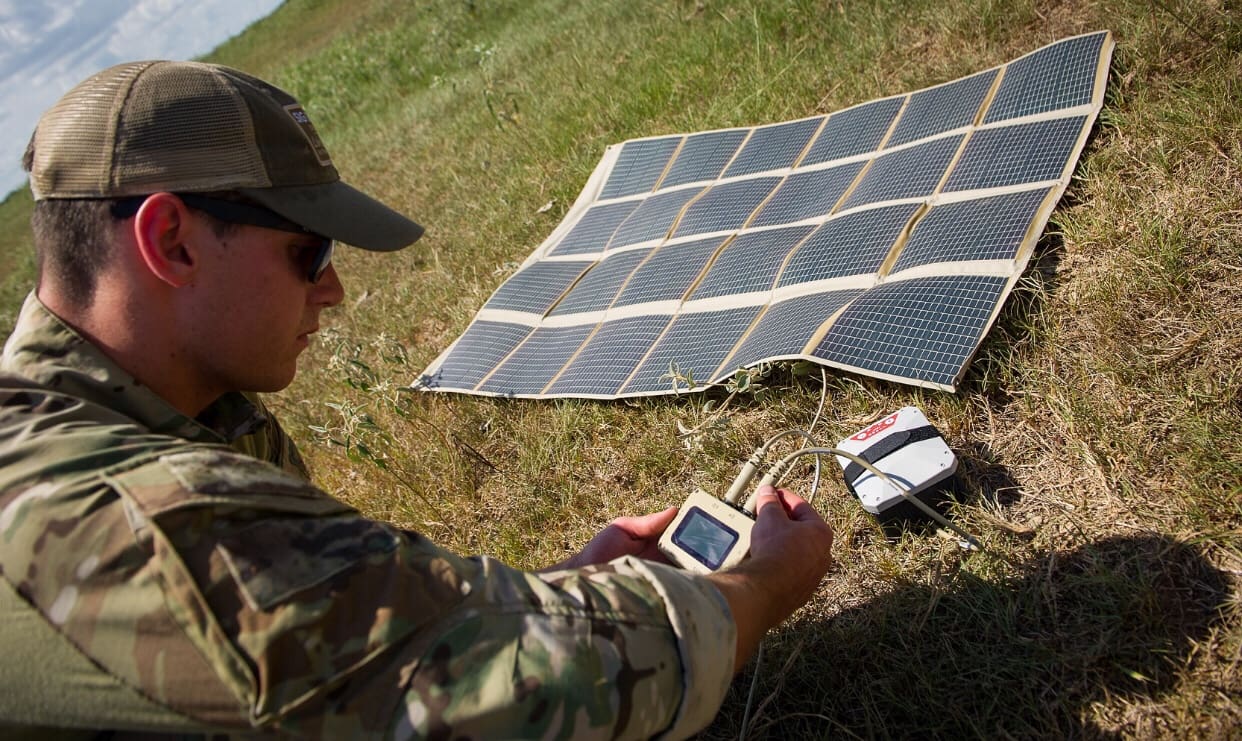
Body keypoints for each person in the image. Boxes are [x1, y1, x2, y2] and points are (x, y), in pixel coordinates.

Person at [0, 60, 834, 739]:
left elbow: (351, 650)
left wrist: (562, 585)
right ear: (171, 240)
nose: (331, 290)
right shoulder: (144, 516)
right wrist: (762, 585)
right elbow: (515, 692)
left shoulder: (148, 407)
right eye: (307, 249)